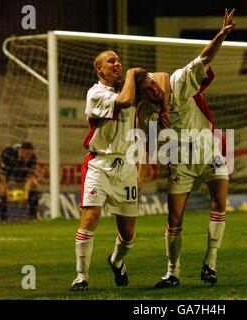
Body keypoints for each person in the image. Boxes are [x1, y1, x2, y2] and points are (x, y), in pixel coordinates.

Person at [135, 8, 236, 288]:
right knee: (174, 217)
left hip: (209, 149)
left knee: (219, 202)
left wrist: (221, 34)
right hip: (180, 159)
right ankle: (172, 272)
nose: (154, 89)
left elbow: (204, 58)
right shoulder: (145, 113)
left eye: (155, 84)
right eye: (148, 89)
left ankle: (210, 264)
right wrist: (144, 174)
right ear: (142, 94)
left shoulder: (178, 81)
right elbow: (148, 145)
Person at [70, 49, 145, 291]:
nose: (117, 64)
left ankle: (116, 261)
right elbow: (123, 102)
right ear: (98, 69)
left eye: (119, 61)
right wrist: (134, 73)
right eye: (110, 61)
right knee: (90, 217)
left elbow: (161, 82)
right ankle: (81, 277)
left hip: (126, 167)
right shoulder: (96, 93)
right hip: (99, 164)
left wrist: (163, 105)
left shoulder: (128, 89)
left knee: (128, 233)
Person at [0, 142, 40, 222]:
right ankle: (3, 219)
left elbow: (29, 177)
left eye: (30, 154)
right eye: (27, 154)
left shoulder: (32, 158)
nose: (29, 156)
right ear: (22, 151)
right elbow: (2, 174)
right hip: (8, 170)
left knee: (34, 185)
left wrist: (26, 194)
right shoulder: (9, 154)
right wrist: (7, 192)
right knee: (2, 191)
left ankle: (33, 217)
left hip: (21, 169)